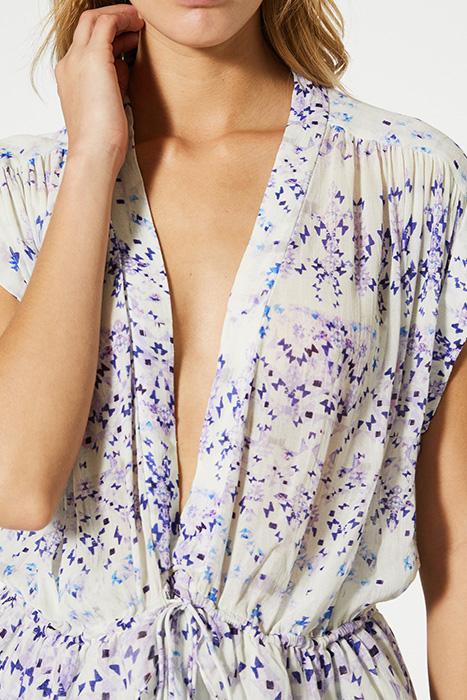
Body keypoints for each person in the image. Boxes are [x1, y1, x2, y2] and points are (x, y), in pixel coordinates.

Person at [0, 0, 465, 697]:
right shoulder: (22, 189)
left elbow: (457, 549)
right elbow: (16, 485)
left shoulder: (409, 181)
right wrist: (91, 156)